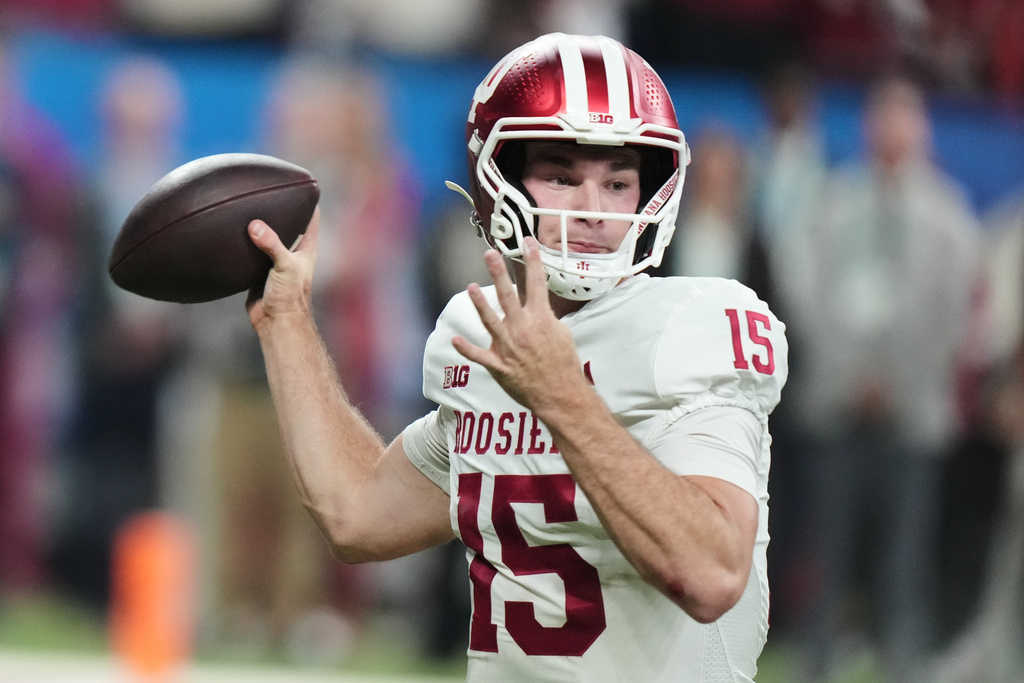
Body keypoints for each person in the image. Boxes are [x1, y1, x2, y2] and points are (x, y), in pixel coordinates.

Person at [243, 33, 788, 681]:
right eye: (562, 177)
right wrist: (286, 320)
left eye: (618, 183)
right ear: (494, 182)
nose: (594, 211)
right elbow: (356, 511)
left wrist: (561, 395)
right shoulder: (481, 334)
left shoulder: (691, 329)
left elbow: (711, 572)